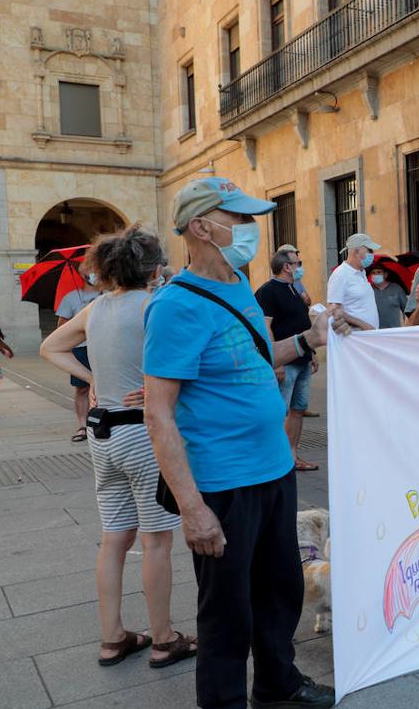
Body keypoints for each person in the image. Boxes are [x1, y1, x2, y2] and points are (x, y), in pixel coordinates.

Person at [143, 177, 344, 709]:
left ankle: (279, 685)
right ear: (203, 226)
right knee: (227, 612)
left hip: (273, 471)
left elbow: (255, 359)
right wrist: (192, 509)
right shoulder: (175, 306)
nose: (251, 229)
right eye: (240, 218)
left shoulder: (237, 283)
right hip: (223, 484)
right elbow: (158, 413)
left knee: (280, 592)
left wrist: (307, 340)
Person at [40, 227, 194, 670]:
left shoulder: (95, 309)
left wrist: (93, 381)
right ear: (154, 268)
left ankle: (113, 638)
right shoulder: (155, 306)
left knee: (114, 539)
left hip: (101, 432)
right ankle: (164, 638)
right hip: (142, 434)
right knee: (157, 541)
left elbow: (51, 347)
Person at [257, 249, 320, 473]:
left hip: (302, 359)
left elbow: (300, 324)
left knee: (298, 408)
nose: (300, 266)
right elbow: (265, 328)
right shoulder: (268, 292)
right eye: (297, 263)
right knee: (279, 410)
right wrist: (277, 362)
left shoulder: (294, 288)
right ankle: (275, 458)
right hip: (286, 362)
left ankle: (292, 455)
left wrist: (310, 352)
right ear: (287, 266)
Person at [56, 273, 100, 443]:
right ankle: (82, 426)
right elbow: (61, 326)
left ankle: (99, 422)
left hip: (102, 347)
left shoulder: (106, 295)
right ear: (83, 275)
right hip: (81, 349)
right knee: (82, 388)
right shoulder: (71, 298)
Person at [327, 233, 381, 332]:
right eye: (369, 250)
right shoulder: (340, 274)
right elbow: (334, 310)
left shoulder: (362, 272)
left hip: (368, 337)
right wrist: (363, 325)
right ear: (356, 252)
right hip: (354, 339)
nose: (372, 254)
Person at [370, 263, 408, 329]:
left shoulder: (396, 289)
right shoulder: (368, 290)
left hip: (393, 332)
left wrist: (407, 328)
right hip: (374, 332)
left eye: (379, 272)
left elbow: (407, 310)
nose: (376, 275)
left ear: (385, 274)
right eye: (373, 273)